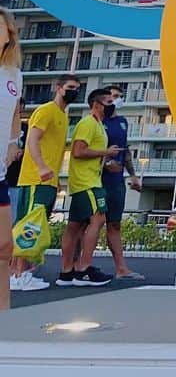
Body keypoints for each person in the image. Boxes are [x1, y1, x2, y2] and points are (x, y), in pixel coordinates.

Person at [11, 74, 81, 291]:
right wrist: (41, 167)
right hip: (34, 179)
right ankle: (19, 275)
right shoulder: (46, 110)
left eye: (77, 88)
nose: (74, 91)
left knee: (36, 226)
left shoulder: (62, 116)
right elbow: (32, 139)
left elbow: (56, 151)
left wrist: (55, 179)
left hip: (48, 182)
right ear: (58, 88)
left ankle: (20, 272)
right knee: (29, 225)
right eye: (70, 87)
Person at [57, 88, 120, 287]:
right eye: (109, 102)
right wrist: (106, 152)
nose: (113, 105)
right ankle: (83, 268)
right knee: (99, 218)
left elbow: (89, 152)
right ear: (97, 104)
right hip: (87, 183)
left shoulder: (99, 125)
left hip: (88, 180)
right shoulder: (88, 123)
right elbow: (77, 151)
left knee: (76, 225)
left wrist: (106, 160)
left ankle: (66, 272)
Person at [101, 84, 143, 281]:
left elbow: (124, 151)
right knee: (87, 224)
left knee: (115, 224)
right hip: (96, 180)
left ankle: (121, 268)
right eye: (113, 96)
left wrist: (133, 175)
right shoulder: (96, 122)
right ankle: (78, 266)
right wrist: (105, 162)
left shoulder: (122, 122)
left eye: (119, 96)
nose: (116, 100)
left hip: (117, 181)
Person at [1, 9, 24, 308]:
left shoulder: (14, 74)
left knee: (5, 246)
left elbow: (16, 115)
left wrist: (11, 145)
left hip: (0, 172)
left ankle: (5, 312)